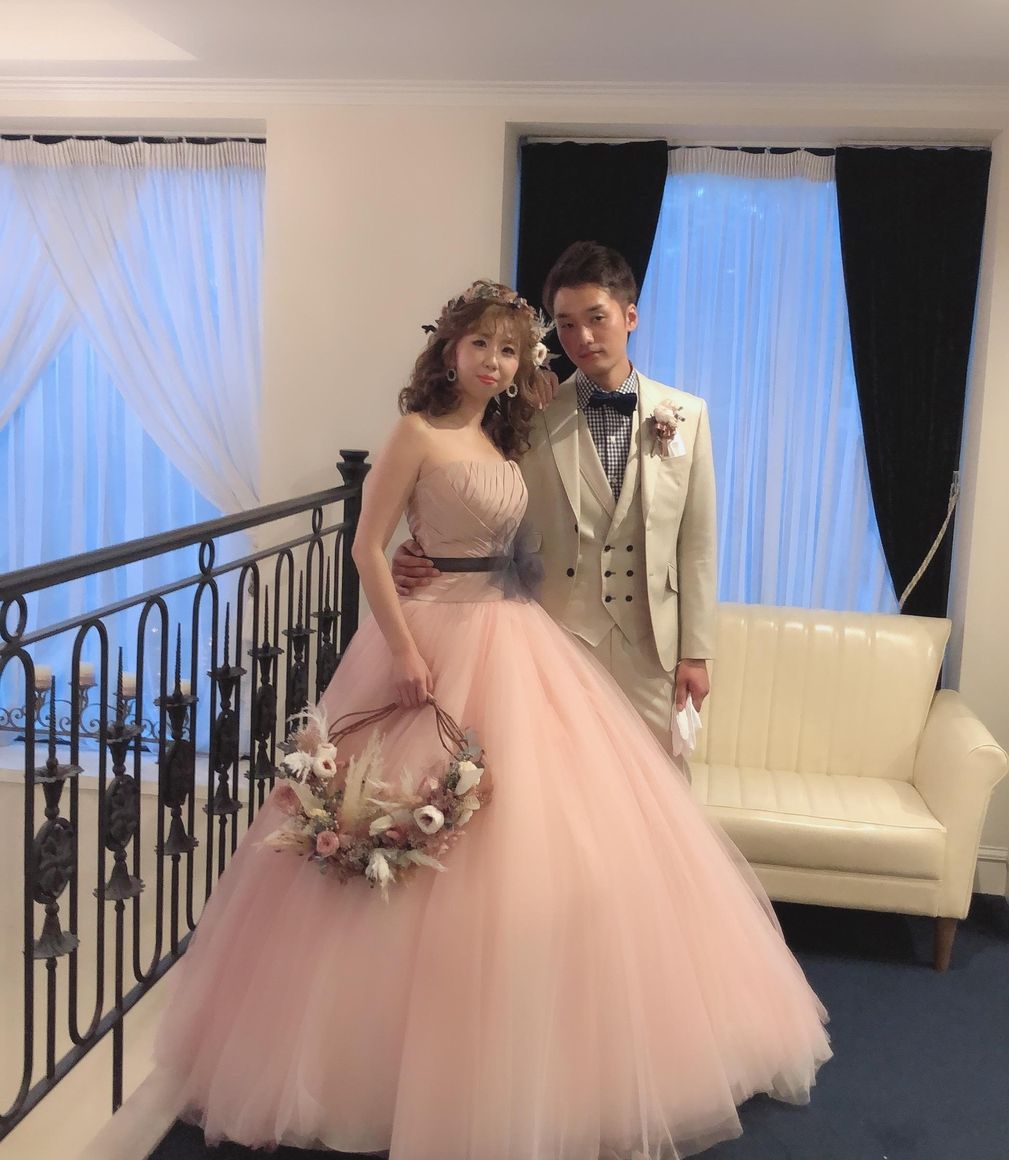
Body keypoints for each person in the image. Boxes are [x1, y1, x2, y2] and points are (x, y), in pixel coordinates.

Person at [151, 281, 830, 1159]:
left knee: (543, 839)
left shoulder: (512, 432)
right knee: (412, 831)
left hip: (516, 632)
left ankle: (547, 1051)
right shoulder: (416, 431)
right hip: (430, 640)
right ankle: (381, 1063)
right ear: (448, 348)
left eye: (509, 350)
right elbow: (366, 546)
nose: (495, 361)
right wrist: (403, 637)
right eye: (480, 345)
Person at [394, 242, 715, 761]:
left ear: (630, 316)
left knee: (659, 784)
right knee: (562, 781)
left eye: (596, 318)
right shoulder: (527, 414)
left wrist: (696, 653)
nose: (582, 337)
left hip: (652, 649)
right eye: (566, 324)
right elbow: (472, 494)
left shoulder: (688, 414)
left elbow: (697, 544)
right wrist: (425, 549)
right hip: (557, 636)